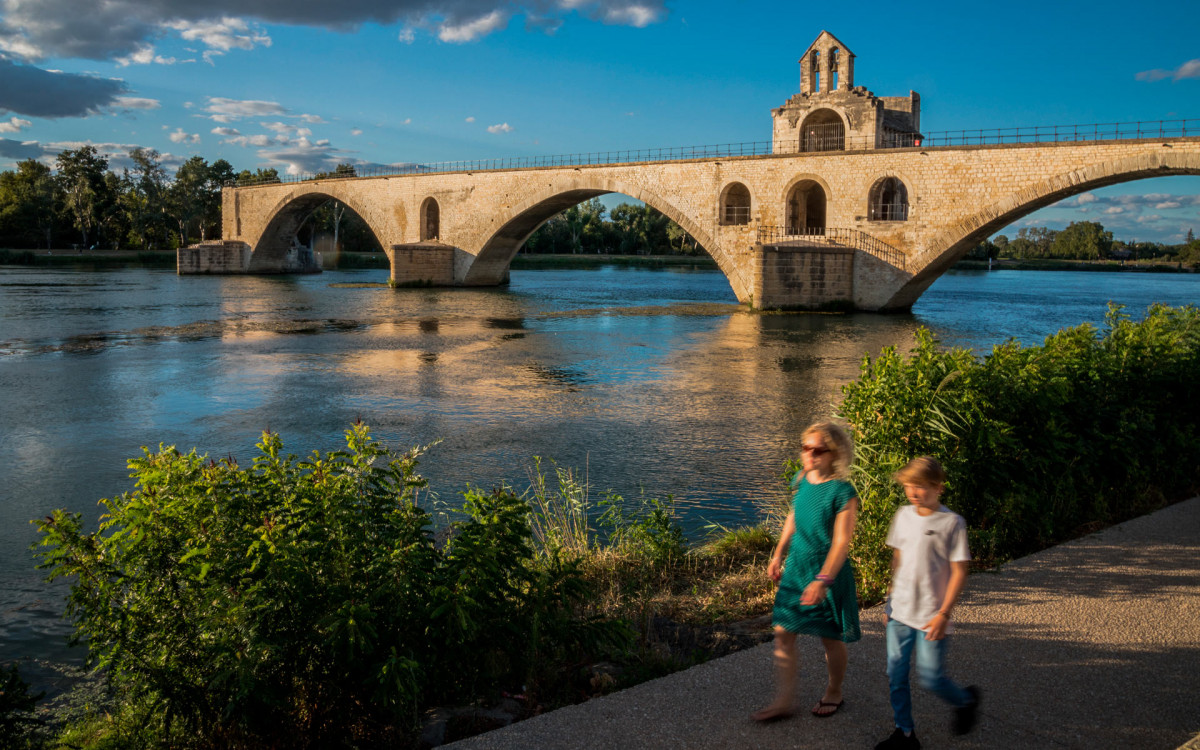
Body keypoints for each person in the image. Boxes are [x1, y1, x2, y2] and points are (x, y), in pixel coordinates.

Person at [752, 421, 860, 721]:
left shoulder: (842, 492)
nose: (809, 455)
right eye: (805, 448)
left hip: (827, 572)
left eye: (818, 450)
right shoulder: (801, 479)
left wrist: (823, 580)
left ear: (834, 454)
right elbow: (794, 515)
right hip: (797, 568)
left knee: (830, 638)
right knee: (783, 632)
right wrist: (778, 553)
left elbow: (841, 543)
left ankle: (834, 690)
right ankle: (784, 701)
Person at [875, 457, 980, 750]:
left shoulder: (952, 523)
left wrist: (944, 614)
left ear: (938, 487)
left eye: (920, 486)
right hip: (899, 612)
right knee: (895, 674)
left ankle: (966, 700)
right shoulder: (902, 515)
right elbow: (898, 558)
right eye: (909, 485)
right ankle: (905, 733)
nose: (913, 492)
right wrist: (889, 600)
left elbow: (960, 571)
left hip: (932, 616)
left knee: (932, 677)